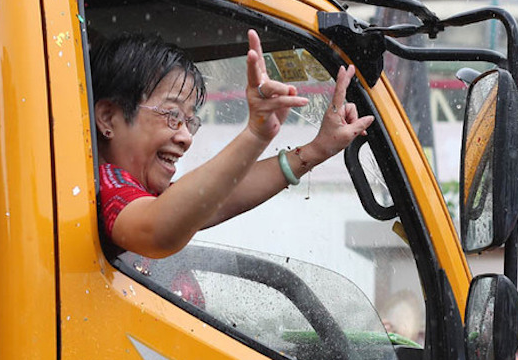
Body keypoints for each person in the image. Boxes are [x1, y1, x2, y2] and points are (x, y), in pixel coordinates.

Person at [92, 29, 373, 258]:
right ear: (107, 118)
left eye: (190, 122)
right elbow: (156, 231)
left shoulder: (146, 198)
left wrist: (317, 150)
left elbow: (218, 198)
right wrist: (255, 135)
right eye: (172, 115)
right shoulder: (106, 187)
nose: (186, 137)